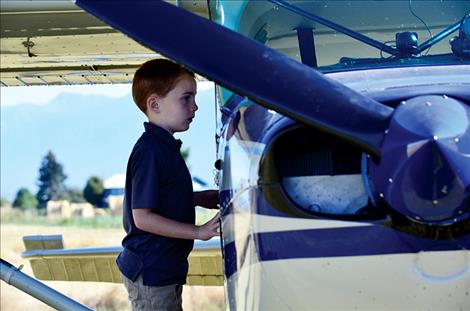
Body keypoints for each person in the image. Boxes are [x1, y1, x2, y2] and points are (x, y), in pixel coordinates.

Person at [117, 58, 220, 311]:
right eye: (186, 98)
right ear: (154, 104)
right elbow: (142, 217)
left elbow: (161, 196)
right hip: (152, 272)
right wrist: (199, 231)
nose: (194, 107)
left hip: (164, 269)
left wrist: (196, 198)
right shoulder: (150, 151)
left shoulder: (163, 147)